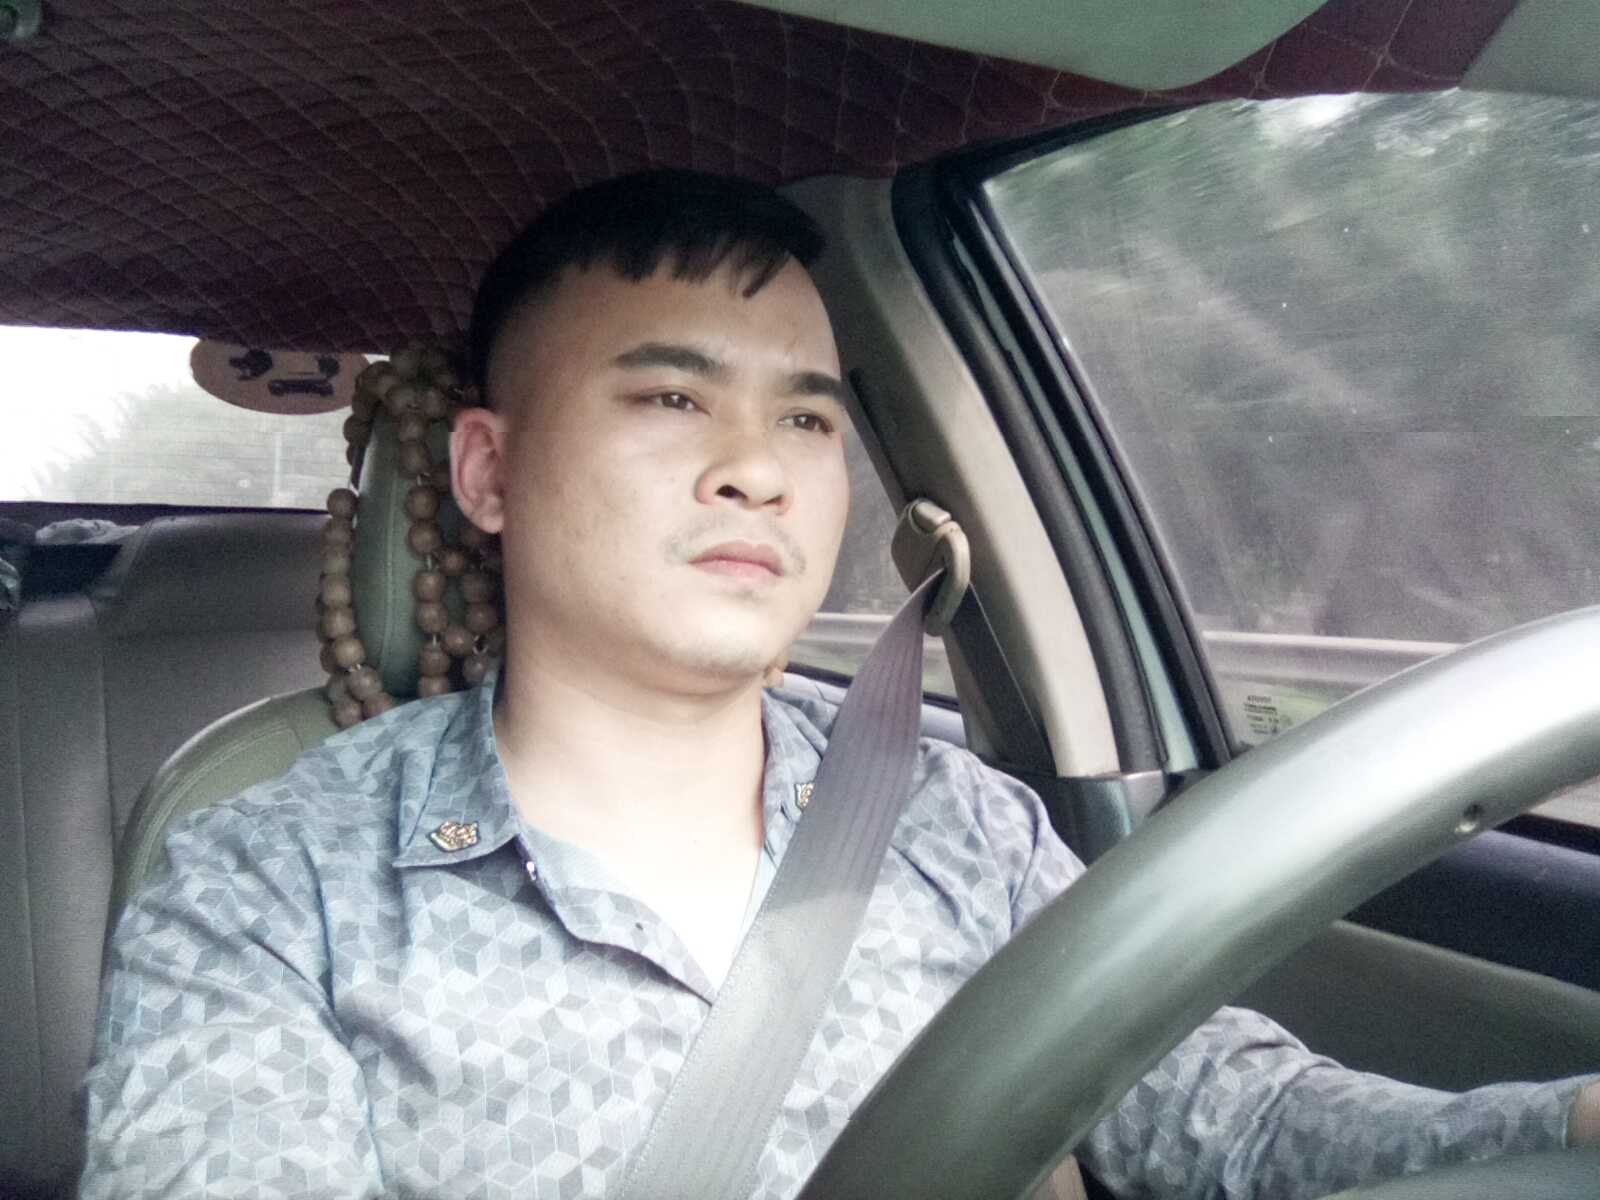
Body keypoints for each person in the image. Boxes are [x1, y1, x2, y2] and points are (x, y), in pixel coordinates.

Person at [80, 169, 1599, 1199]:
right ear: (488, 471)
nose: (758, 470)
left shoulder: (956, 819)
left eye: (807, 421)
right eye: (670, 397)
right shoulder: (273, 880)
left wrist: (1567, 1121)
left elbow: (1234, 1122)